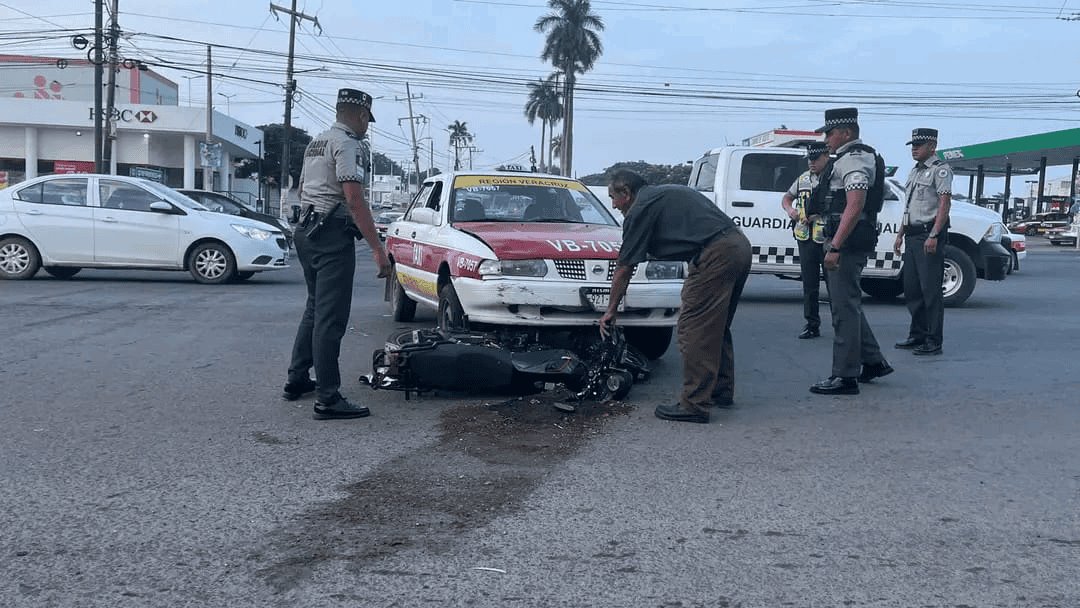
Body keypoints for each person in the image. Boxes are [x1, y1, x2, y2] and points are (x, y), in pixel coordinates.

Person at [599, 170, 751, 424]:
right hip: (738, 246)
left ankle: (694, 404)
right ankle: (720, 390)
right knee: (716, 325)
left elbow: (625, 267)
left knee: (694, 328)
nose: (613, 205)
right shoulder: (666, 193)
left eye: (614, 197)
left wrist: (610, 309)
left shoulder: (640, 209)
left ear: (627, 193)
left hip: (716, 254)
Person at [282, 88, 391, 420]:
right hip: (331, 235)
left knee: (315, 309)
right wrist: (377, 249)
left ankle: (298, 379)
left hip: (307, 230)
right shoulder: (348, 144)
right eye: (367, 120)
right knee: (330, 319)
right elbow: (354, 199)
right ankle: (327, 398)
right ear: (360, 116)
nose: (367, 127)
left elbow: (302, 189)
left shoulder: (317, 141)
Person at [808, 107, 893, 395]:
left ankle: (845, 376)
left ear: (846, 132)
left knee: (843, 309)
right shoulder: (845, 157)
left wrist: (837, 245)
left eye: (830, 133)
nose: (826, 139)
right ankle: (873, 361)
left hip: (848, 242)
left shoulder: (855, 158)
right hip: (846, 239)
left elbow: (855, 205)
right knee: (849, 302)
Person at [894, 128, 952, 356]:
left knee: (930, 291)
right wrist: (900, 234)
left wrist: (934, 235)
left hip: (928, 235)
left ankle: (933, 340)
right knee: (912, 289)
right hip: (912, 234)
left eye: (919, 144)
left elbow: (944, 204)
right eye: (913, 145)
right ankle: (917, 334)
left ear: (932, 146)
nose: (914, 149)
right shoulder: (915, 171)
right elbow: (909, 207)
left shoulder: (940, 170)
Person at [780, 141, 830, 339]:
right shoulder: (803, 179)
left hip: (827, 238)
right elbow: (786, 198)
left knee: (833, 284)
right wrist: (790, 210)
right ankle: (811, 324)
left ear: (826, 157)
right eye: (809, 159)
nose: (812, 163)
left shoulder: (833, 177)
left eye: (816, 159)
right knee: (809, 285)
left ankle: (841, 324)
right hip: (805, 236)